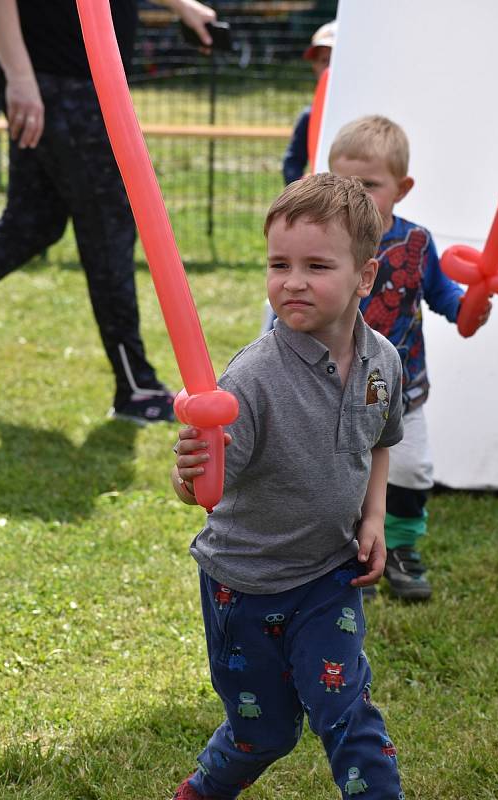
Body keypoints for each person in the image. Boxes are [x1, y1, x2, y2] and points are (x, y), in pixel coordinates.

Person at [171, 173, 405, 800]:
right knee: (263, 733)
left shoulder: (384, 361)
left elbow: (380, 438)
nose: (292, 281)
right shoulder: (252, 378)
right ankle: (202, 789)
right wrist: (191, 468)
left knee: (348, 711)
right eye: (279, 264)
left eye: (316, 265)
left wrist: (375, 517)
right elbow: (203, 493)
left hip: (329, 575)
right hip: (243, 585)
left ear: (365, 276)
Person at [0, 0, 216, 425]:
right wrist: (19, 78)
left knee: (31, 224)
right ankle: (136, 387)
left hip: (71, 83)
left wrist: (182, 6)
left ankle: (135, 384)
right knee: (108, 230)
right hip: (61, 84)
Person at [329, 115, 491, 601]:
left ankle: (399, 546)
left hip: (402, 387)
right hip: (336, 387)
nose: (354, 194)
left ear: (402, 188)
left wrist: (467, 308)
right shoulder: (328, 239)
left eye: (370, 185)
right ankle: (355, 549)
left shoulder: (417, 243)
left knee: (412, 469)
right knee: (343, 471)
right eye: (343, 182)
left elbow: (442, 295)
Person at [282, 19, 336, 185]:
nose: (329, 68)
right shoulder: (310, 116)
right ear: (315, 67)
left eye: (334, 59)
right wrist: (301, 186)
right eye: (323, 61)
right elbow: (292, 163)